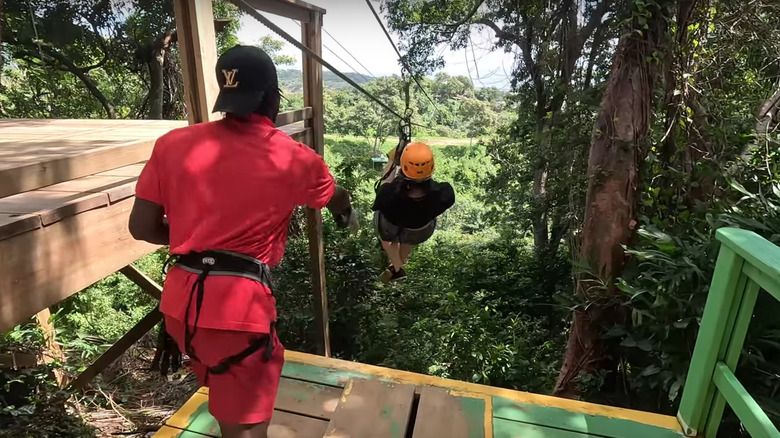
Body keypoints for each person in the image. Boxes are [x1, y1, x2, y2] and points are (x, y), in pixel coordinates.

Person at [128, 44, 357, 438]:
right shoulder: (295, 158)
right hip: (238, 315)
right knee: (245, 431)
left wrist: (192, 235)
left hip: (181, 308)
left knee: (223, 401)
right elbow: (333, 195)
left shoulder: (172, 144)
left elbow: (142, 227)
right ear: (272, 96)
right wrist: (345, 213)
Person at [372, 141, 454, 282]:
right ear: (432, 167)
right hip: (420, 231)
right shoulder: (443, 193)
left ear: (404, 168)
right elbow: (442, 196)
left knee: (387, 240)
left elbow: (385, 182)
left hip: (391, 227)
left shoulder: (389, 195)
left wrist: (393, 159)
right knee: (408, 239)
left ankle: (397, 268)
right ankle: (396, 270)